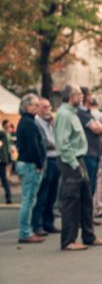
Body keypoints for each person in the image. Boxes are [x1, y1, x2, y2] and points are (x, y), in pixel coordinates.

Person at [54, 85, 102, 250]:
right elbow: (63, 144)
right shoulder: (64, 114)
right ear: (71, 96)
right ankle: (68, 241)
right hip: (71, 161)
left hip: (79, 159)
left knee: (86, 199)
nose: (82, 97)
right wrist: (74, 164)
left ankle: (89, 236)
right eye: (79, 94)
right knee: (71, 201)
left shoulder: (72, 112)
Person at [16, 94, 46, 244]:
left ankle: (26, 230)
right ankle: (25, 232)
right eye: (35, 105)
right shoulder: (28, 123)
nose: (38, 107)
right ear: (27, 106)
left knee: (29, 199)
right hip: (30, 165)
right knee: (28, 200)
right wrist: (39, 163)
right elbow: (33, 146)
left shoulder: (26, 122)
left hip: (27, 163)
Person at [31, 98, 60, 235]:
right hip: (46, 160)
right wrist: (52, 144)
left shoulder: (52, 123)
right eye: (44, 107)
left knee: (52, 194)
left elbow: (58, 138)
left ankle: (49, 223)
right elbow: (42, 142)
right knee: (42, 193)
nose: (47, 109)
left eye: (48, 107)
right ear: (39, 109)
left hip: (56, 158)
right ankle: (37, 224)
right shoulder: (37, 123)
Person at [77, 87, 102, 196]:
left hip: (94, 153)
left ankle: (88, 212)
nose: (91, 97)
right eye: (89, 95)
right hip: (88, 153)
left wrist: (101, 126)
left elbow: (97, 126)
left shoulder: (88, 113)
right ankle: (85, 212)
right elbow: (96, 129)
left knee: (92, 186)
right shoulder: (81, 113)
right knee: (88, 186)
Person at [0, 121, 12, 204]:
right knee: (4, 179)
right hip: (3, 159)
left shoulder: (3, 134)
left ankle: (8, 197)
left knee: (4, 179)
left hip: (2, 159)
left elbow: (7, 148)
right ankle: (8, 197)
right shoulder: (4, 134)